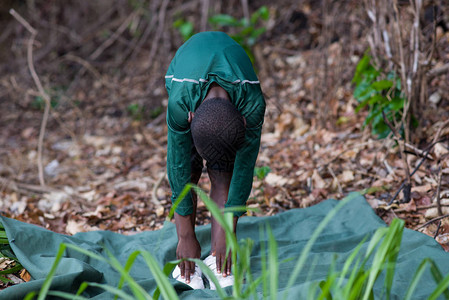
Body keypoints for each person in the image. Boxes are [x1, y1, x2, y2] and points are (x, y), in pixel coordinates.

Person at [165, 31, 265, 289]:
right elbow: (177, 169)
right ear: (190, 118)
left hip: (231, 85)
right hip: (185, 73)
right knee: (188, 167)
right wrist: (185, 237)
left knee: (224, 174)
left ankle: (217, 260)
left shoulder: (251, 106)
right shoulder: (180, 103)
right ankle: (190, 258)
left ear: (243, 121)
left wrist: (228, 233)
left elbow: (243, 170)